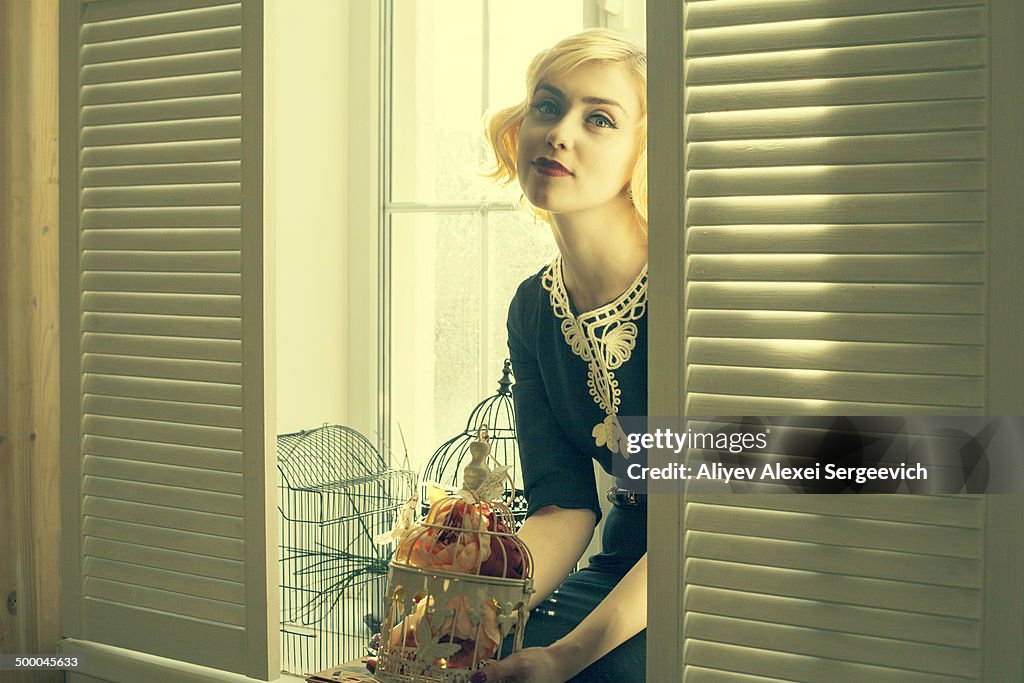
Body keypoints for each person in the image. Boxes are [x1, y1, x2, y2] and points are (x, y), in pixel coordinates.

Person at [476, 29, 649, 683]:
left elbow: (707, 525)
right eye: (548, 106)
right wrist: (480, 608)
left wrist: (566, 655)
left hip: (725, 579)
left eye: (598, 118)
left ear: (643, 149)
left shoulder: (695, 297)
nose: (560, 132)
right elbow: (565, 504)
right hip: (620, 567)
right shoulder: (532, 309)